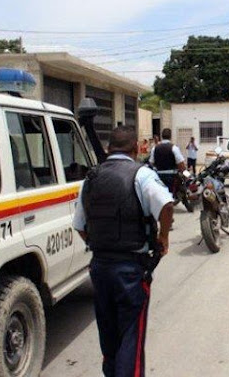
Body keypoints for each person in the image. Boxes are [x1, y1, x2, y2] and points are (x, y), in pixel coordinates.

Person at [73, 126, 174, 377]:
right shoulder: (141, 175)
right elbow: (166, 203)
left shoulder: (90, 179)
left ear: (108, 149)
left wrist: (97, 242)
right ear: (135, 149)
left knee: (108, 335)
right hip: (130, 270)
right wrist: (163, 237)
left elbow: (79, 226)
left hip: (99, 267)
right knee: (131, 335)